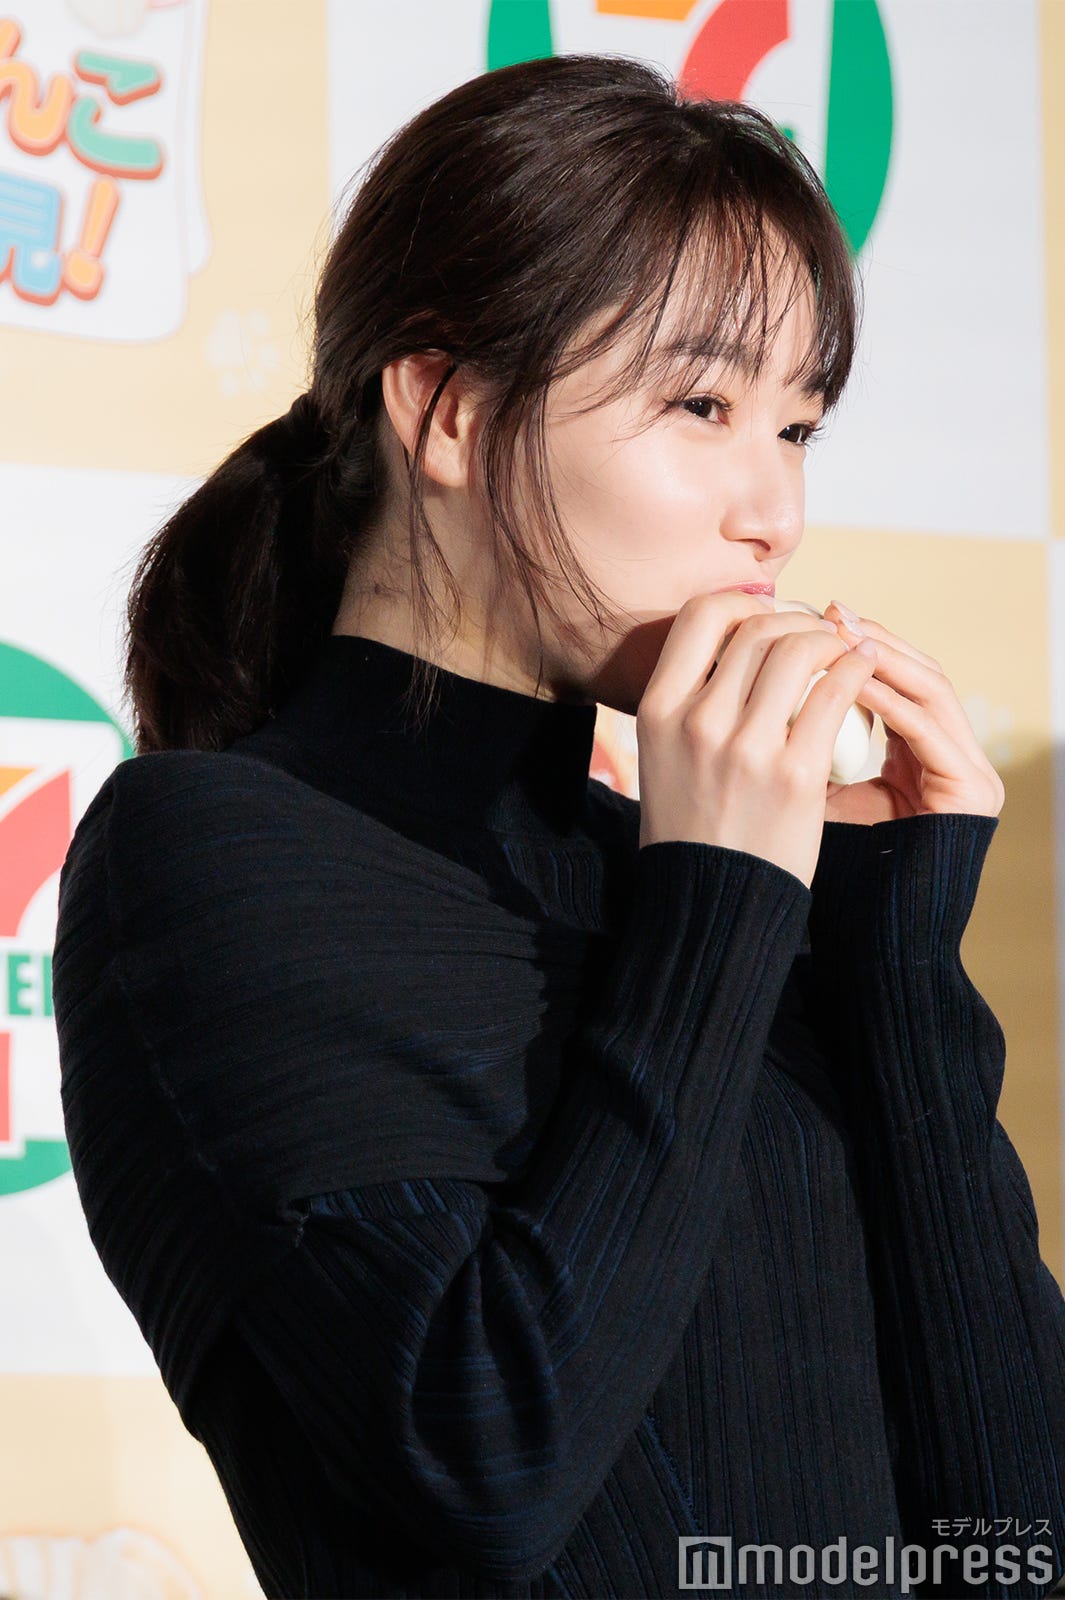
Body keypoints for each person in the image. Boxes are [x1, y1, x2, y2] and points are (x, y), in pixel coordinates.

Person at [51, 50, 1065, 1600]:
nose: (773, 514)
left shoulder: (720, 895)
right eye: (701, 405)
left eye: (795, 428)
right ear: (450, 411)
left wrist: (892, 962)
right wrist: (718, 891)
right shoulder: (211, 854)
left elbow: (1016, 1537)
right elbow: (487, 1471)